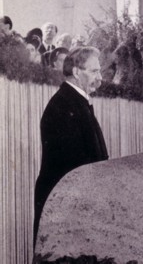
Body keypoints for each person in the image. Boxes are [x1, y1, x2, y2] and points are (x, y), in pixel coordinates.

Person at [33, 46, 109, 248]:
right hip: (64, 210)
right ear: (76, 72)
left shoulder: (75, 102)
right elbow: (75, 167)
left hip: (71, 207)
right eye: (94, 71)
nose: (100, 77)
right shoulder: (64, 105)